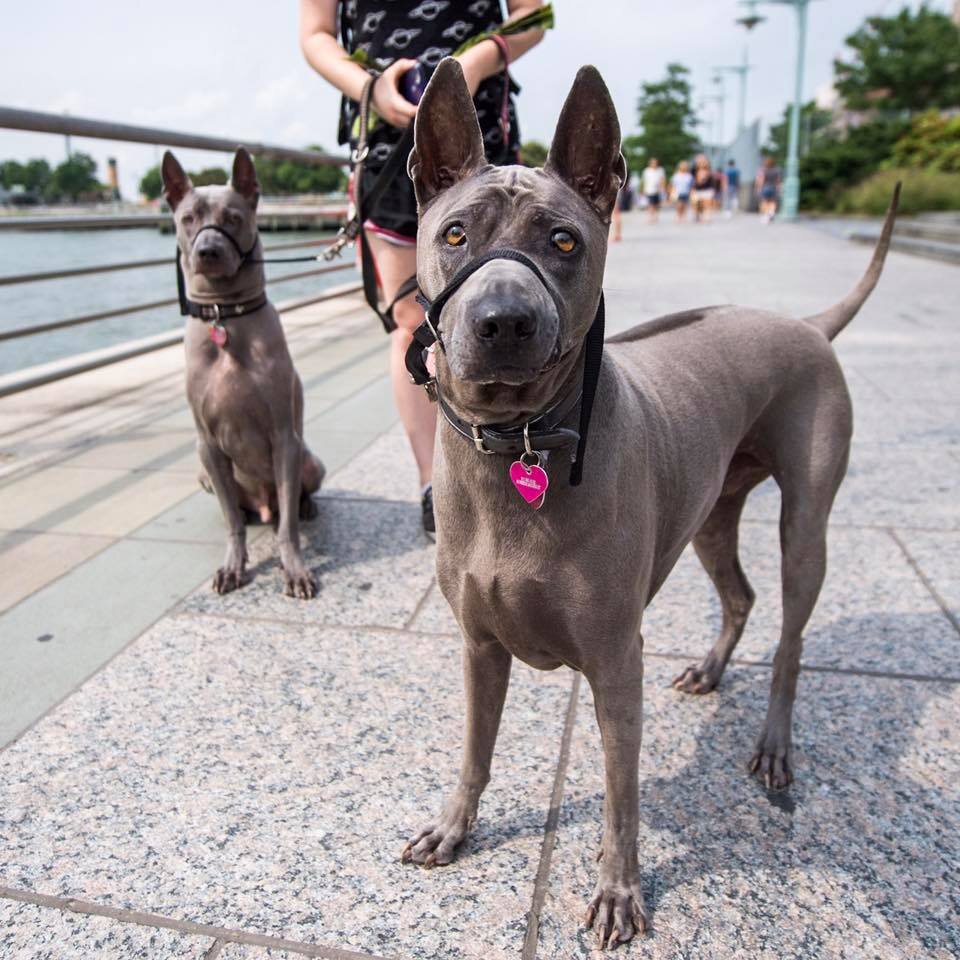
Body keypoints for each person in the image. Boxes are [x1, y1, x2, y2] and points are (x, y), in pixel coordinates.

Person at [299, 0, 545, 533]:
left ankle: (504, 463)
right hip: (390, 150)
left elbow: (534, 15)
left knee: (497, 304)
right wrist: (370, 89)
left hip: (484, 138)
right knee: (411, 325)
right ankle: (436, 482)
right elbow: (316, 35)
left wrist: (476, 64)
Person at [756, 156, 782, 223]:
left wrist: (759, 188)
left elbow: (761, 180)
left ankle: (765, 215)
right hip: (774, 188)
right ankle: (771, 212)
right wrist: (779, 188)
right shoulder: (777, 170)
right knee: (772, 202)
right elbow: (778, 181)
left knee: (764, 202)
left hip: (765, 187)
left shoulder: (763, 169)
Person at [640, 157, 666, 224]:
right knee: (650, 204)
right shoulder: (646, 171)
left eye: (655, 163)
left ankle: (655, 216)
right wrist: (642, 190)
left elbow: (662, 180)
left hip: (658, 190)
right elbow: (644, 181)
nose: (654, 164)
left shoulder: (660, 170)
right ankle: (650, 217)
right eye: (653, 163)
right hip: (649, 190)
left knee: (656, 204)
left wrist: (662, 188)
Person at [691, 155, 714, 223]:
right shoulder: (693, 170)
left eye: (703, 160)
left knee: (707, 204)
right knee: (696, 204)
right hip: (696, 190)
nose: (701, 162)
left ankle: (706, 217)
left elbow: (711, 180)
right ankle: (697, 215)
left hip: (707, 189)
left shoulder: (709, 169)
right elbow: (692, 180)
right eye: (699, 160)